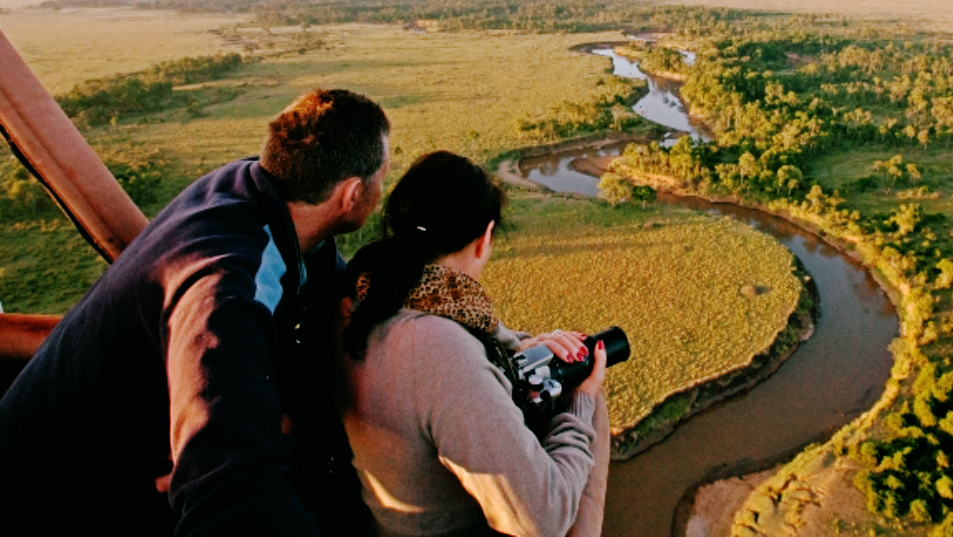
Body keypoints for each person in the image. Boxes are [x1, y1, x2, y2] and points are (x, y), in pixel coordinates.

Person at [0, 88, 390, 536]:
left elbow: (322, 282)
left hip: (106, 454)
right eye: (383, 174)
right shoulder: (227, 291)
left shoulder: (252, 191)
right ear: (353, 193)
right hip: (52, 499)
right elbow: (234, 499)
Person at [336, 151, 610, 537]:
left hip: (387, 521)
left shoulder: (365, 295)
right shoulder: (437, 346)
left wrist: (525, 347)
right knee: (591, 401)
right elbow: (542, 521)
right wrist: (578, 402)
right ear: (484, 239)